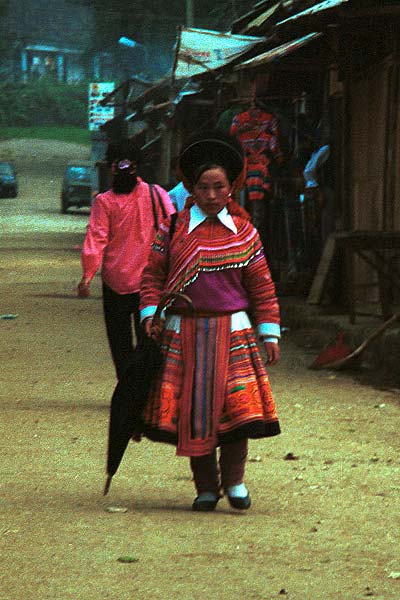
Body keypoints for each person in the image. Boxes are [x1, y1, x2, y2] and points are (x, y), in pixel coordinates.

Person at [139, 129, 281, 512]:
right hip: (184, 331)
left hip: (233, 331)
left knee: (236, 414)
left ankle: (234, 483)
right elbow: (152, 276)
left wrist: (270, 333)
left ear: (231, 187)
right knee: (194, 411)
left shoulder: (246, 233)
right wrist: (151, 315)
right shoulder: (172, 229)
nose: (213, 195)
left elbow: (263, 287)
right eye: (204, 187)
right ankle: (205, 487)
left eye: (220, 187)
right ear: (193, 189)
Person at [77, 138, 175, 380]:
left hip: (117, 284)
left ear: (110, 167)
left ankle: (128, 388)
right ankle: (144, 390)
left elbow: (96, 238)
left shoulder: (104, 201)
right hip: (150, 284)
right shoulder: (157, 194)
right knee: (149, 339)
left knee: (119, 342)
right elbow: (175, 231)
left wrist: (88, 276)